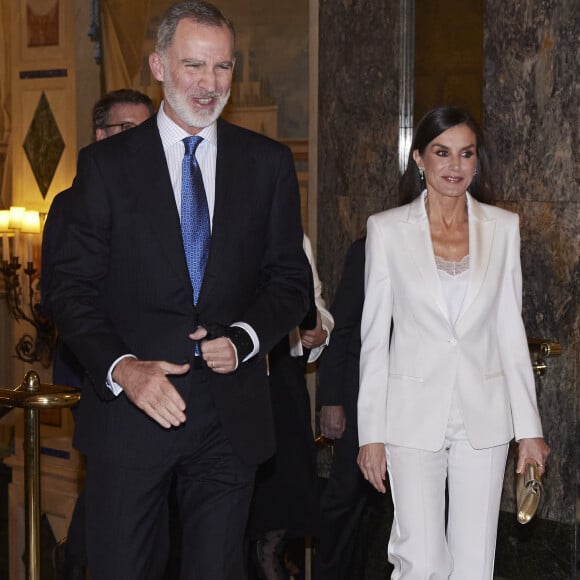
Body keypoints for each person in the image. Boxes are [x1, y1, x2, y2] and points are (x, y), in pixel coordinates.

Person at [43, 2, 310, 579]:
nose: (210, 84)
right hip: (132, 412)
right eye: (194, 66)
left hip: (228, 416)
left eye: (223, 68)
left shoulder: (266, 164)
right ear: (158, 65)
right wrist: (124, 368)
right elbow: (69, 289)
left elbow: (291, 280)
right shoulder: (105, 166)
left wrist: (243, 338)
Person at [356, 106, 550, 579]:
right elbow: (374, 339)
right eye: (442, 153)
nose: (455, 165)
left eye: (466, 154)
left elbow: (509, 329)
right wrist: (371, 434)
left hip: (482, 416)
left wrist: (529, 429)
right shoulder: (386, 230)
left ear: (477, 161)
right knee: (419, 560)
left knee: (474, 563)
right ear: (419, 159)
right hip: (410, 415)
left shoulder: (503, 229)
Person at [42, 88, 154, 580]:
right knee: (112, 502)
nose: (140, 143)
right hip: (102, 379)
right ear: (100, 135)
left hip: (163, 378)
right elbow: (68, 297)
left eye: (147, 131)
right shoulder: (71, 205)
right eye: (127, 130)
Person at [247, 234, 334, 580]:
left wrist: (322, 328)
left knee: (279, 522)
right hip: (231, 382)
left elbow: (315, 302)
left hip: (283, 383)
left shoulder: (292, 235)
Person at [315, 236, 389, 580]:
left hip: (421, 407)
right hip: (362, 402)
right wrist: (331, 399)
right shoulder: (372, 244)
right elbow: (342, 327)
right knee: (346, 503)